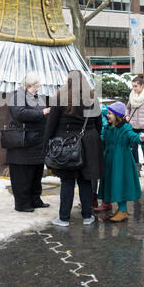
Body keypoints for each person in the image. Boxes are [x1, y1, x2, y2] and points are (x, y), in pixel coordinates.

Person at [43, 70, 105, 227]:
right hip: (89, 144)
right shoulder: (92, 99)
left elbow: (51, 126)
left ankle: (64, 218)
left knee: (67, 181)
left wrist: (46, 146)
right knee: (85, 181)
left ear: (68, 82)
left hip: (67, 145)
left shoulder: (59, 99)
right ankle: (87, 216)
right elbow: (99, 125)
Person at [97, 102, 144, 222]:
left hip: (121, 161)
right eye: (108, 113)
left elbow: (133, 136)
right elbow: (103, 138)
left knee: (119, 184)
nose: (108, 116)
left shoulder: (125, 128)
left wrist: (141, 138)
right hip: (110, 160)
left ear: (117, 116)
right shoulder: (109, 127)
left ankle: (123, 211)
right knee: (113, 183)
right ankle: (121, 210)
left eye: (110, 114)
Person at [7, 72, 50, 212]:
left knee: (36, 174)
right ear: (28, 85)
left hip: (36, 143)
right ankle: (22, 204)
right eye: (35, 86)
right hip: (23, 145)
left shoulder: (35, 97)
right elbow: (19, 113)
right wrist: (43, 113)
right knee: (22, 176)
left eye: (38, 86)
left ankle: (35, 200)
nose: (38, 89)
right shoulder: (17, 96)